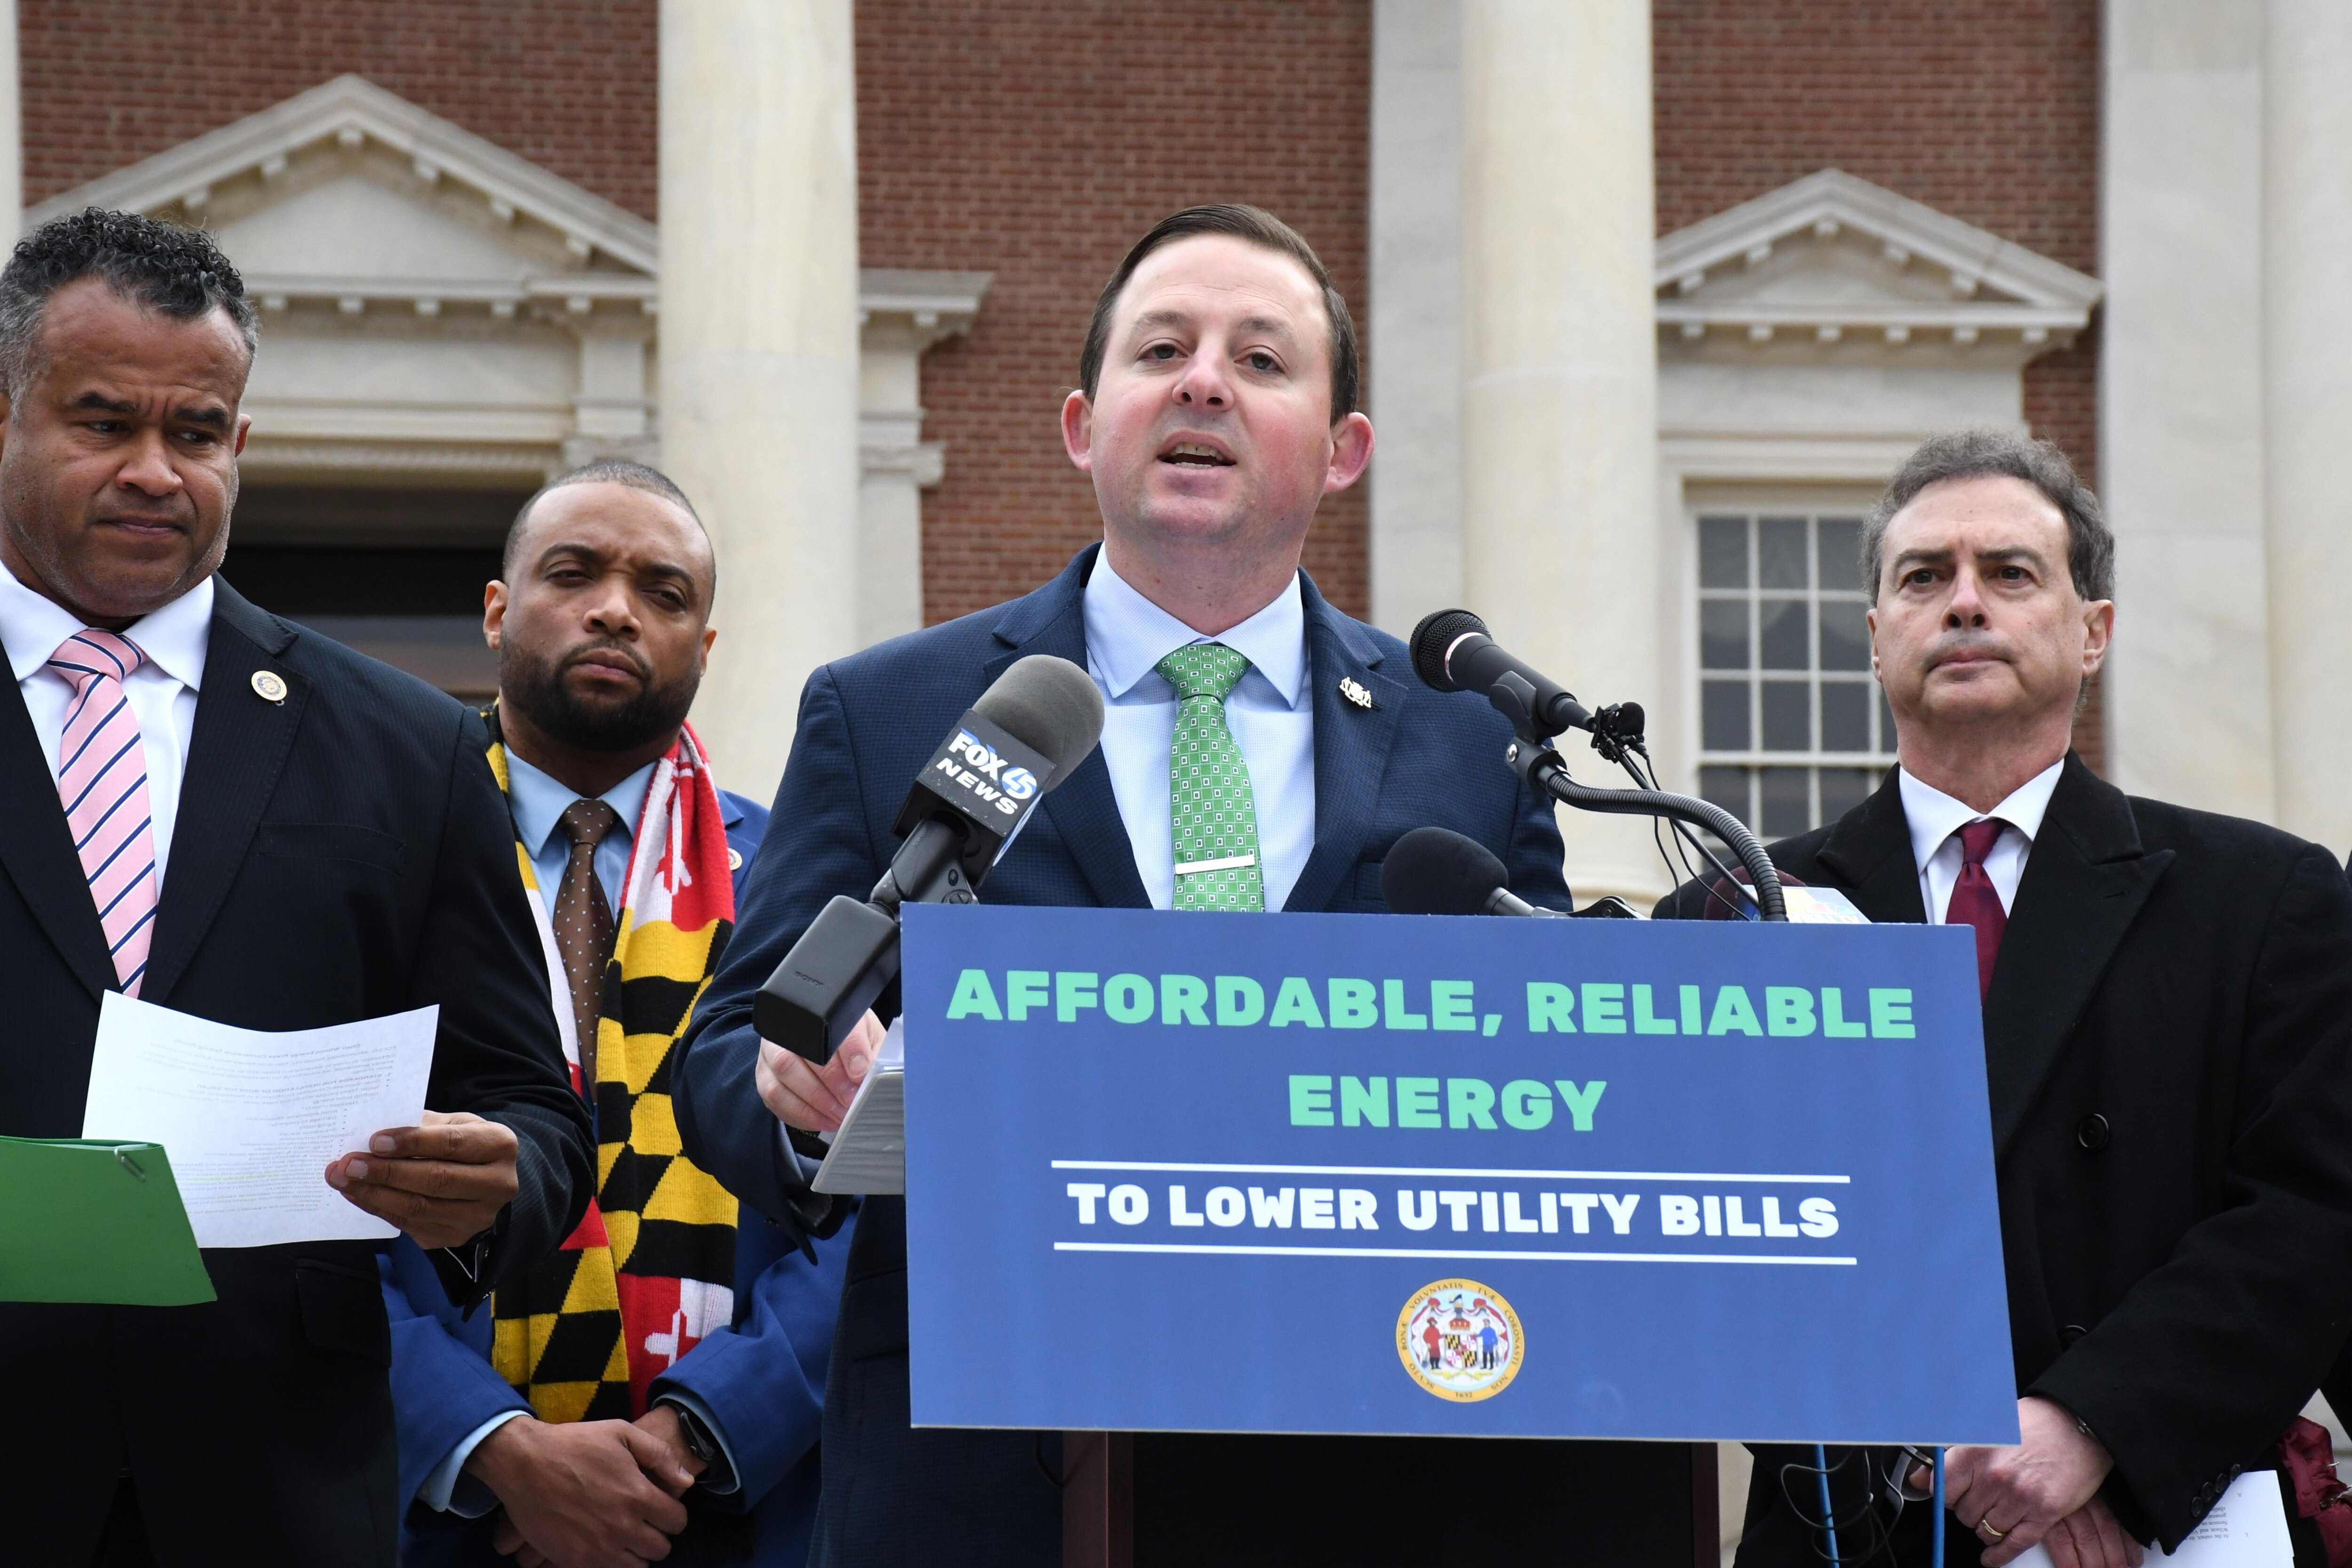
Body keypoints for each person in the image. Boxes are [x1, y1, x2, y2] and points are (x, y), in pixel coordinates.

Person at [675, 203, 1698, 1566]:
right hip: (991, 1472)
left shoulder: (1468, 742)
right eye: (1162, 350)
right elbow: (727, 1050)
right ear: (1082, 424)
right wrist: (796, 1095)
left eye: (1260, 360)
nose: (1204, 381)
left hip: (1382, 1457)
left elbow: (1541, 1081)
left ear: (1343, 452)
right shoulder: (891, 709)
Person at [0, 211, 593, 1565]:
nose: (156, 471)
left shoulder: (411, 747)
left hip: (272, 1486)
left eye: (198, 432)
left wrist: (495, 1180)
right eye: (104, 423)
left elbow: (535, 1114)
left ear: (242, 444)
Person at [1659, 430, 2352, 1568]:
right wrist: (1951, 1454)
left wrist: (2095, 1424)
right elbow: (1698, 1243)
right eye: (1923, 576)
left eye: (2011, 572)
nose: (1964, 601)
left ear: (2094, 631)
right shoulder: (1733, 913)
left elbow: (2308, 1214)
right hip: (1853, 1531)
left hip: (2163, 1527)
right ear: (1873, 635)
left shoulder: (2263, 898)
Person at [382, 462, 854, 1568]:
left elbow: (871, 1205)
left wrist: (695, 1433)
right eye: (574, 574)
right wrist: (491, 1444)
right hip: (429, 1511)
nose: (616, 609)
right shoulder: (372, 862)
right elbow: (297, 1185)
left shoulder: (812, 890)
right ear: (497, 610)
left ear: (706, 646)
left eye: (663, 592)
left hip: (732, 1510)